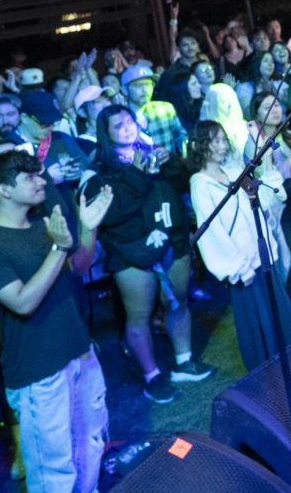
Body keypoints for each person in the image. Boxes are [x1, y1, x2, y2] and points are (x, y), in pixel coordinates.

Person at [0, 152, 111, 493]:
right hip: (38, 372)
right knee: (53, 468)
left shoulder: (40, 227)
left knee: (90, 445)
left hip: (79, 353)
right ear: (3, 190)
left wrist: (88, 228)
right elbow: (23, 302)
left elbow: (78, 267)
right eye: (29, 177)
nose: (41, 181)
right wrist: (58, 250)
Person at [77, 107, 212, 402]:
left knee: (178, 302)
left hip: (172, 240)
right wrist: (137, 173)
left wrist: (171, 162)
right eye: (118, 125)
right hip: (131, 251)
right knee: (139, 316)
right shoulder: (97, 171)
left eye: (129, 122)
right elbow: (112, 212)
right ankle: (152, 376)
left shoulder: (151, 152)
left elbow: (182, 183)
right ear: (105, 133)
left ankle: (184, 361)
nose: (127, 128)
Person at [186, 122, 291, 371]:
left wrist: (267, 164)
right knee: (258, 324)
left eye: (223, 139)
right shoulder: (200, 183)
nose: (221, 145)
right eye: (214, 141)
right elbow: (212, 233)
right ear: (200, 145)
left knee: (278, 316)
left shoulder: (234, 171)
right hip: (243, 268)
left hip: (261, 256)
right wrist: (238, 268)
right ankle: (269, 378)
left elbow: (264, 200)